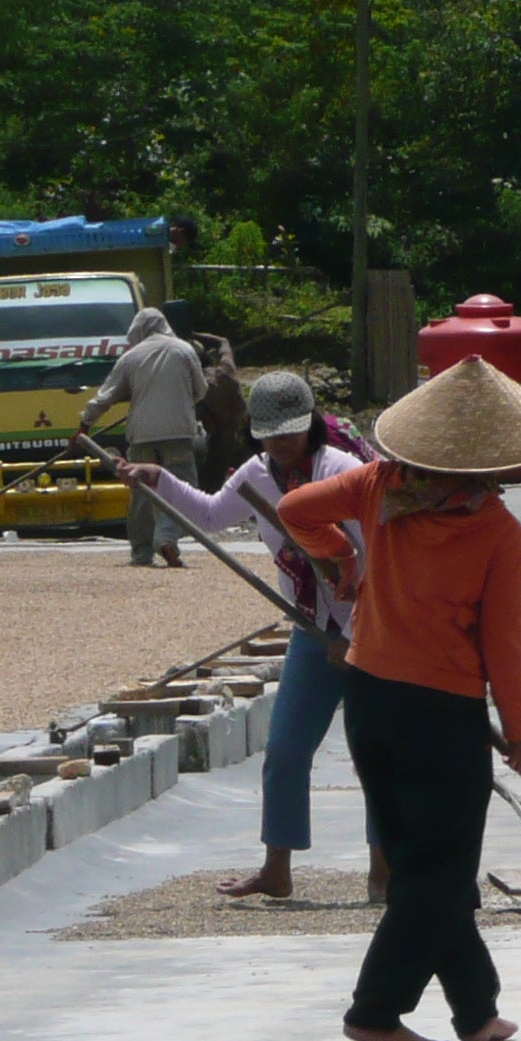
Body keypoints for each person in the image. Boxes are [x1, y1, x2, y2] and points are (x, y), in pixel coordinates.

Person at [279, 356, 521, 1041]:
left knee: (425, 866)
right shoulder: (495, 532)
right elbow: (503, 650)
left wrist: (341, 563)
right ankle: (375, 1010)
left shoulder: (381, 486)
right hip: (441, 716)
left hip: (372, 700)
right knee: (436, 872)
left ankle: (476, 1011)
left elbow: (295, 511)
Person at [118, 371, 384, 905]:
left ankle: (384, 871)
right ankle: (276, 867)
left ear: (309, 425)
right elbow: (212, 514)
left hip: (372, 631)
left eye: (288, 432)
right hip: (311, 629)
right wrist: (158, 480)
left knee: (374, 753)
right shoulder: (256, 475)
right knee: (285, 749)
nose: (279, 444)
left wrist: (355, 636)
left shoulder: (344, 471)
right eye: (269, 434)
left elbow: (377, 553)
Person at [77, 305, 209, 567]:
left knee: (140, 493)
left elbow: (106, 396)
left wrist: (84, 424)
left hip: (141, 435)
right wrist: (183, 402)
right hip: (178, 433)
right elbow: (201, 389)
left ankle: (141, 552)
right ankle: (167, 537)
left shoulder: (131, 357)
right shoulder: (184, 350)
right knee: (180, 488)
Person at [195, 337, 253, 487]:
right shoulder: (226, 371)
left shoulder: (196, 388)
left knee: (209, 487)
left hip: (221, 442)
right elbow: (225, 343)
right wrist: (197, 334)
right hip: (246, 434)